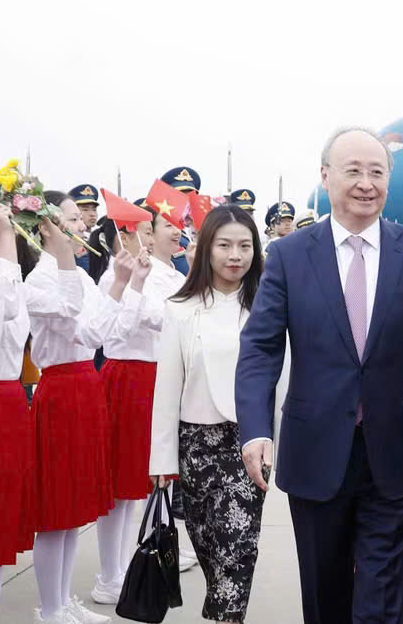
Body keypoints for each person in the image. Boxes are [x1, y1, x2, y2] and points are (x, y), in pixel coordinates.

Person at [235, 127, 403, 623]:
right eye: (353, 171)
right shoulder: (291, 256)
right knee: (324, 587)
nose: (365, 183)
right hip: (315, 450)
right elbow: (260, 348)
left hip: (396, 449)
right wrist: (254, 429)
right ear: (325, 176)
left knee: (379, 586)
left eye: (376, 172)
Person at [22, 191, 150, 624]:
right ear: (45, 227)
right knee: (54, 510)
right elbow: (73, 317)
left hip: (85, 387)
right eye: (72, 220)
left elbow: (100, 332)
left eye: (80, 219)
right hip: (59, 389)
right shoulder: (38, 279)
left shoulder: (75, 273)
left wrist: (119, 282)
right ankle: (50, 607)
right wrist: (62, 258)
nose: (82, 227)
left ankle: (62, 601)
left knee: (74, 508)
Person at [149, 205, 269, 624]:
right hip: (195, 448)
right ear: (206, 249)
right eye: (224, 245)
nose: (235, 255)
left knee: (238, 550)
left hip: (248, 445)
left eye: (244, 246)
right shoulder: (181, 309)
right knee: (209, 551)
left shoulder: (267, 306)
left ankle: (227, 617)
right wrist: (162, 461)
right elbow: (167, 390)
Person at [0, 204, 84, 624]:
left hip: (7, 402)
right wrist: (2, 248)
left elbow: (85, 320)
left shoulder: (9, 281)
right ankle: (52, 606)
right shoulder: (18, 281)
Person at [89, 208, 187, 606]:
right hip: (128, 377)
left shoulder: (174, 275)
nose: (150, 239)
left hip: (158, 378)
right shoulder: (114, 276)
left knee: (151, 481)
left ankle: (139, 561)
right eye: (146, 230)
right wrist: (138, 288)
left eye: (153, 230)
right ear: (125, 235)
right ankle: (109, 573)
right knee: (121, 485)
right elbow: (129, 326)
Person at [68, 184, 100, 272]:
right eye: (85, 209)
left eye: (94, 209)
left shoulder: (100, 239)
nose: (92, 214)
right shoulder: (71, 239)